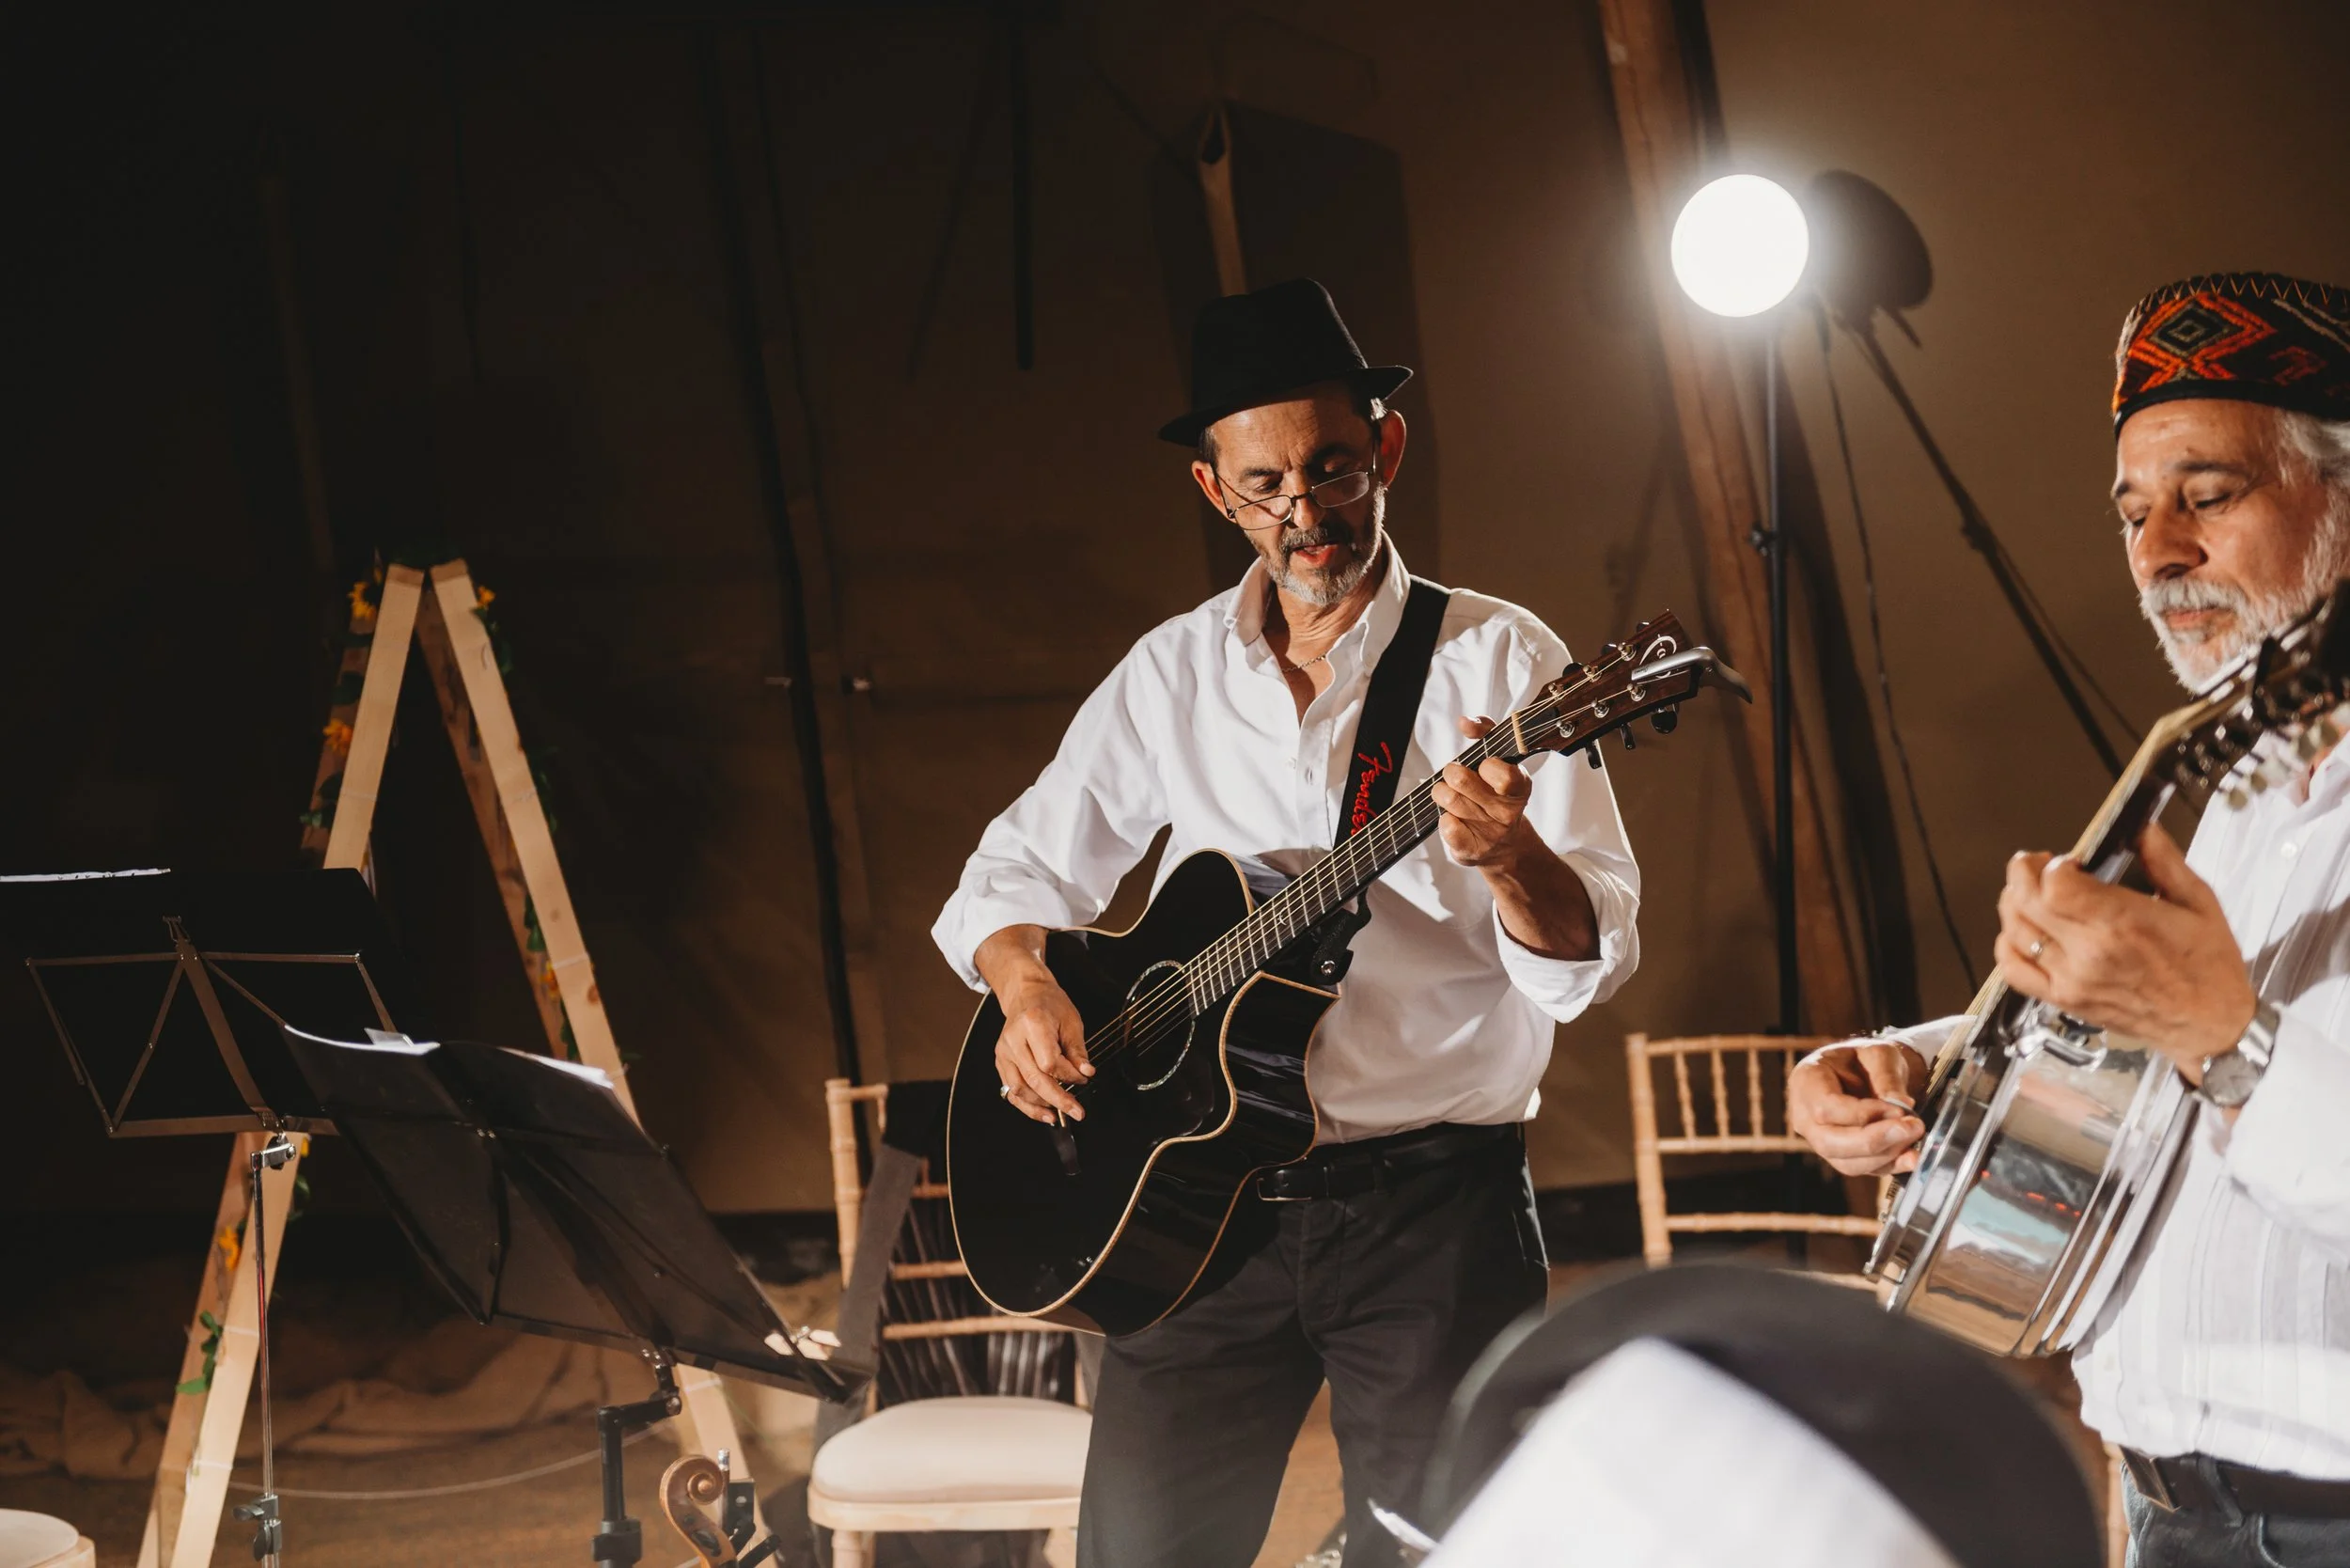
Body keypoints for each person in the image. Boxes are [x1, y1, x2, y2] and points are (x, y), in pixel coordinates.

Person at [931, 277, 1640, 1568]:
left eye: (1332, 470)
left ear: (1388, 449)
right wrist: (1025, 984)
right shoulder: (1171, 672)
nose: (1305, 514)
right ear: (1214, 491)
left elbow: (1583, 968)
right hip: (1195, 1210)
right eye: (1265, 486)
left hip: (1434, 1215)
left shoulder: (1500, 662)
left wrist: (1513, 857)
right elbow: (1012, 873)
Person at [1790, 272, 2350, 1568]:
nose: (2159, 552)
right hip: (2164, 1503)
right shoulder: (2246, 785)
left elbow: (2220, 1034)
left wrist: (2225, 1039)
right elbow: (2157, 1044)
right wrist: (1910, 1060)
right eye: (2135, 512)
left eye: (2210, 495)